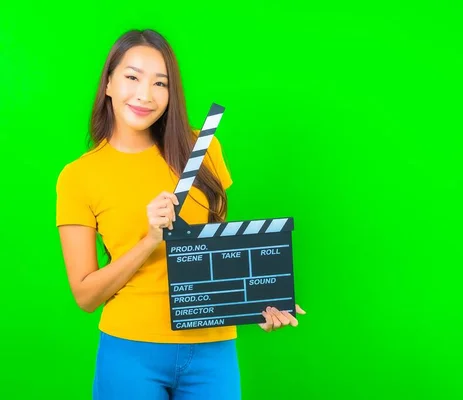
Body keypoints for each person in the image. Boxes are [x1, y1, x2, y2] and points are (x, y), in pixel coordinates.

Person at [55, 29, 306, 400]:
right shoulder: (78, 177)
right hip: (131, 348)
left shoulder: (203, 148)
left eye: (161, 83)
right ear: (108, 82)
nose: (145, 94)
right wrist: (150, 241)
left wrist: (256, 303)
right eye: (132, 77)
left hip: (212, 348)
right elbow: (85, 296)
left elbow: (218, 256)